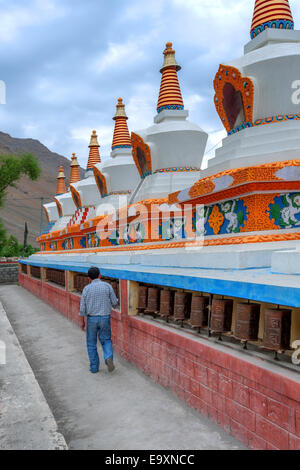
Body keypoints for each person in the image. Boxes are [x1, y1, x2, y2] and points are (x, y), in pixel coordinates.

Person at [79, 267, 118, 374]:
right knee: (106, 340)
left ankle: (94, 367)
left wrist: (82, 321)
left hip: (91, 318)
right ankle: (108, 357)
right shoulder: (107, 286)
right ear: (100, 275)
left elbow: (82, 308)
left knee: (91, 343)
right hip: (105, 317)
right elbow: (114, 303)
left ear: (88, 278)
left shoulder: (86, 289)